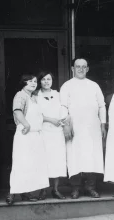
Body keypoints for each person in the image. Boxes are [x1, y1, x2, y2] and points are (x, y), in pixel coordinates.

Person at [60, 58, 107, 199]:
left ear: (87, 69)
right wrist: (66, 126)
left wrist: (103, 124)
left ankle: (91, 187)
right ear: (72, 69)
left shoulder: (94, 86)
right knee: (75, 157)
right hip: (75, 129)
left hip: (92, 128)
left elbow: (101, 106)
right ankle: (75, 188)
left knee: (92, 157)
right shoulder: (66, 86)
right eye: (77, 66)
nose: (80, 69)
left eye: (83, 67)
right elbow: (63, 107)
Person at [6, 73, 49, 205]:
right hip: (25, 134)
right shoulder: (20, 95)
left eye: (35, 81)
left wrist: (52, 120)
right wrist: (26, 124)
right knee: (21, 163)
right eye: (29, 81)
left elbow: (40, 116)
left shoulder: (34, 98)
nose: (33, 83)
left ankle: (26, 192)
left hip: (35, 135)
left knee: (32, 165)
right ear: (23, 83)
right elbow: (17, 111)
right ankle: (12, 193)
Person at [36, 70, 67, 200]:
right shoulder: (35, 96)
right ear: (40, 81)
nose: (46, 82)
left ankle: (55, 189)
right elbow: (36, 114)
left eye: (49, 79)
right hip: (43, 131)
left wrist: (62, 120)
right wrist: (50, 120)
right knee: (44, 160)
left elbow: (64, 109)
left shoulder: (58, 94)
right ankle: (43, 190)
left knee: (57, 160)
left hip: (57, 132)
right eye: (43, 79)